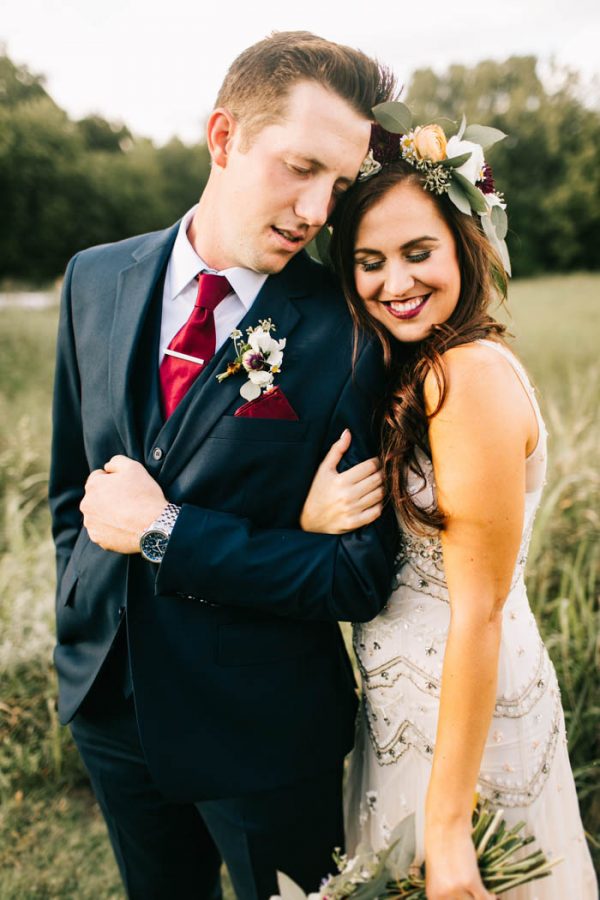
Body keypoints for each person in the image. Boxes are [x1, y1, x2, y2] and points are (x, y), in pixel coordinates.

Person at [49, 32, 399, 900]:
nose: (318, 210)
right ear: (224, 138)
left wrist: (163, 531)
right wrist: (80, 615)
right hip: (109, 705)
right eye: (300, 167)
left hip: (262, 734)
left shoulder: (350, 335)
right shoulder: (93, 279)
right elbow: (74, 489)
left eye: (339, 186)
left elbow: (357, 578)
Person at [300, 111, 598, 898]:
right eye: (369, 262)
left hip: (458, 729)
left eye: (418, 252)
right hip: (411, 713)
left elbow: (479, 610)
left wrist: (446, 824)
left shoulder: (462, 377)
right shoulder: (426, 369)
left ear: (465, 244)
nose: (395, 283)